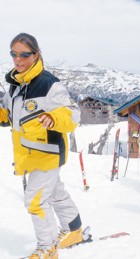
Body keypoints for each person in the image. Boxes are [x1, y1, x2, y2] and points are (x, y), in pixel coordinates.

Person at [0, 33, 85, 259]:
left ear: (35, 55)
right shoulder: (16, 86)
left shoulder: (48, 84)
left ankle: (47, 249)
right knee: (55, 193)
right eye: (14, 54)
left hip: (48, 152)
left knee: (35, 201)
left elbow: (73, 114)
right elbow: (8, 117)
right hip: (29, 155)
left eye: (24, 54)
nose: (18, 60)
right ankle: (74, 230)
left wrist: (54, 118)